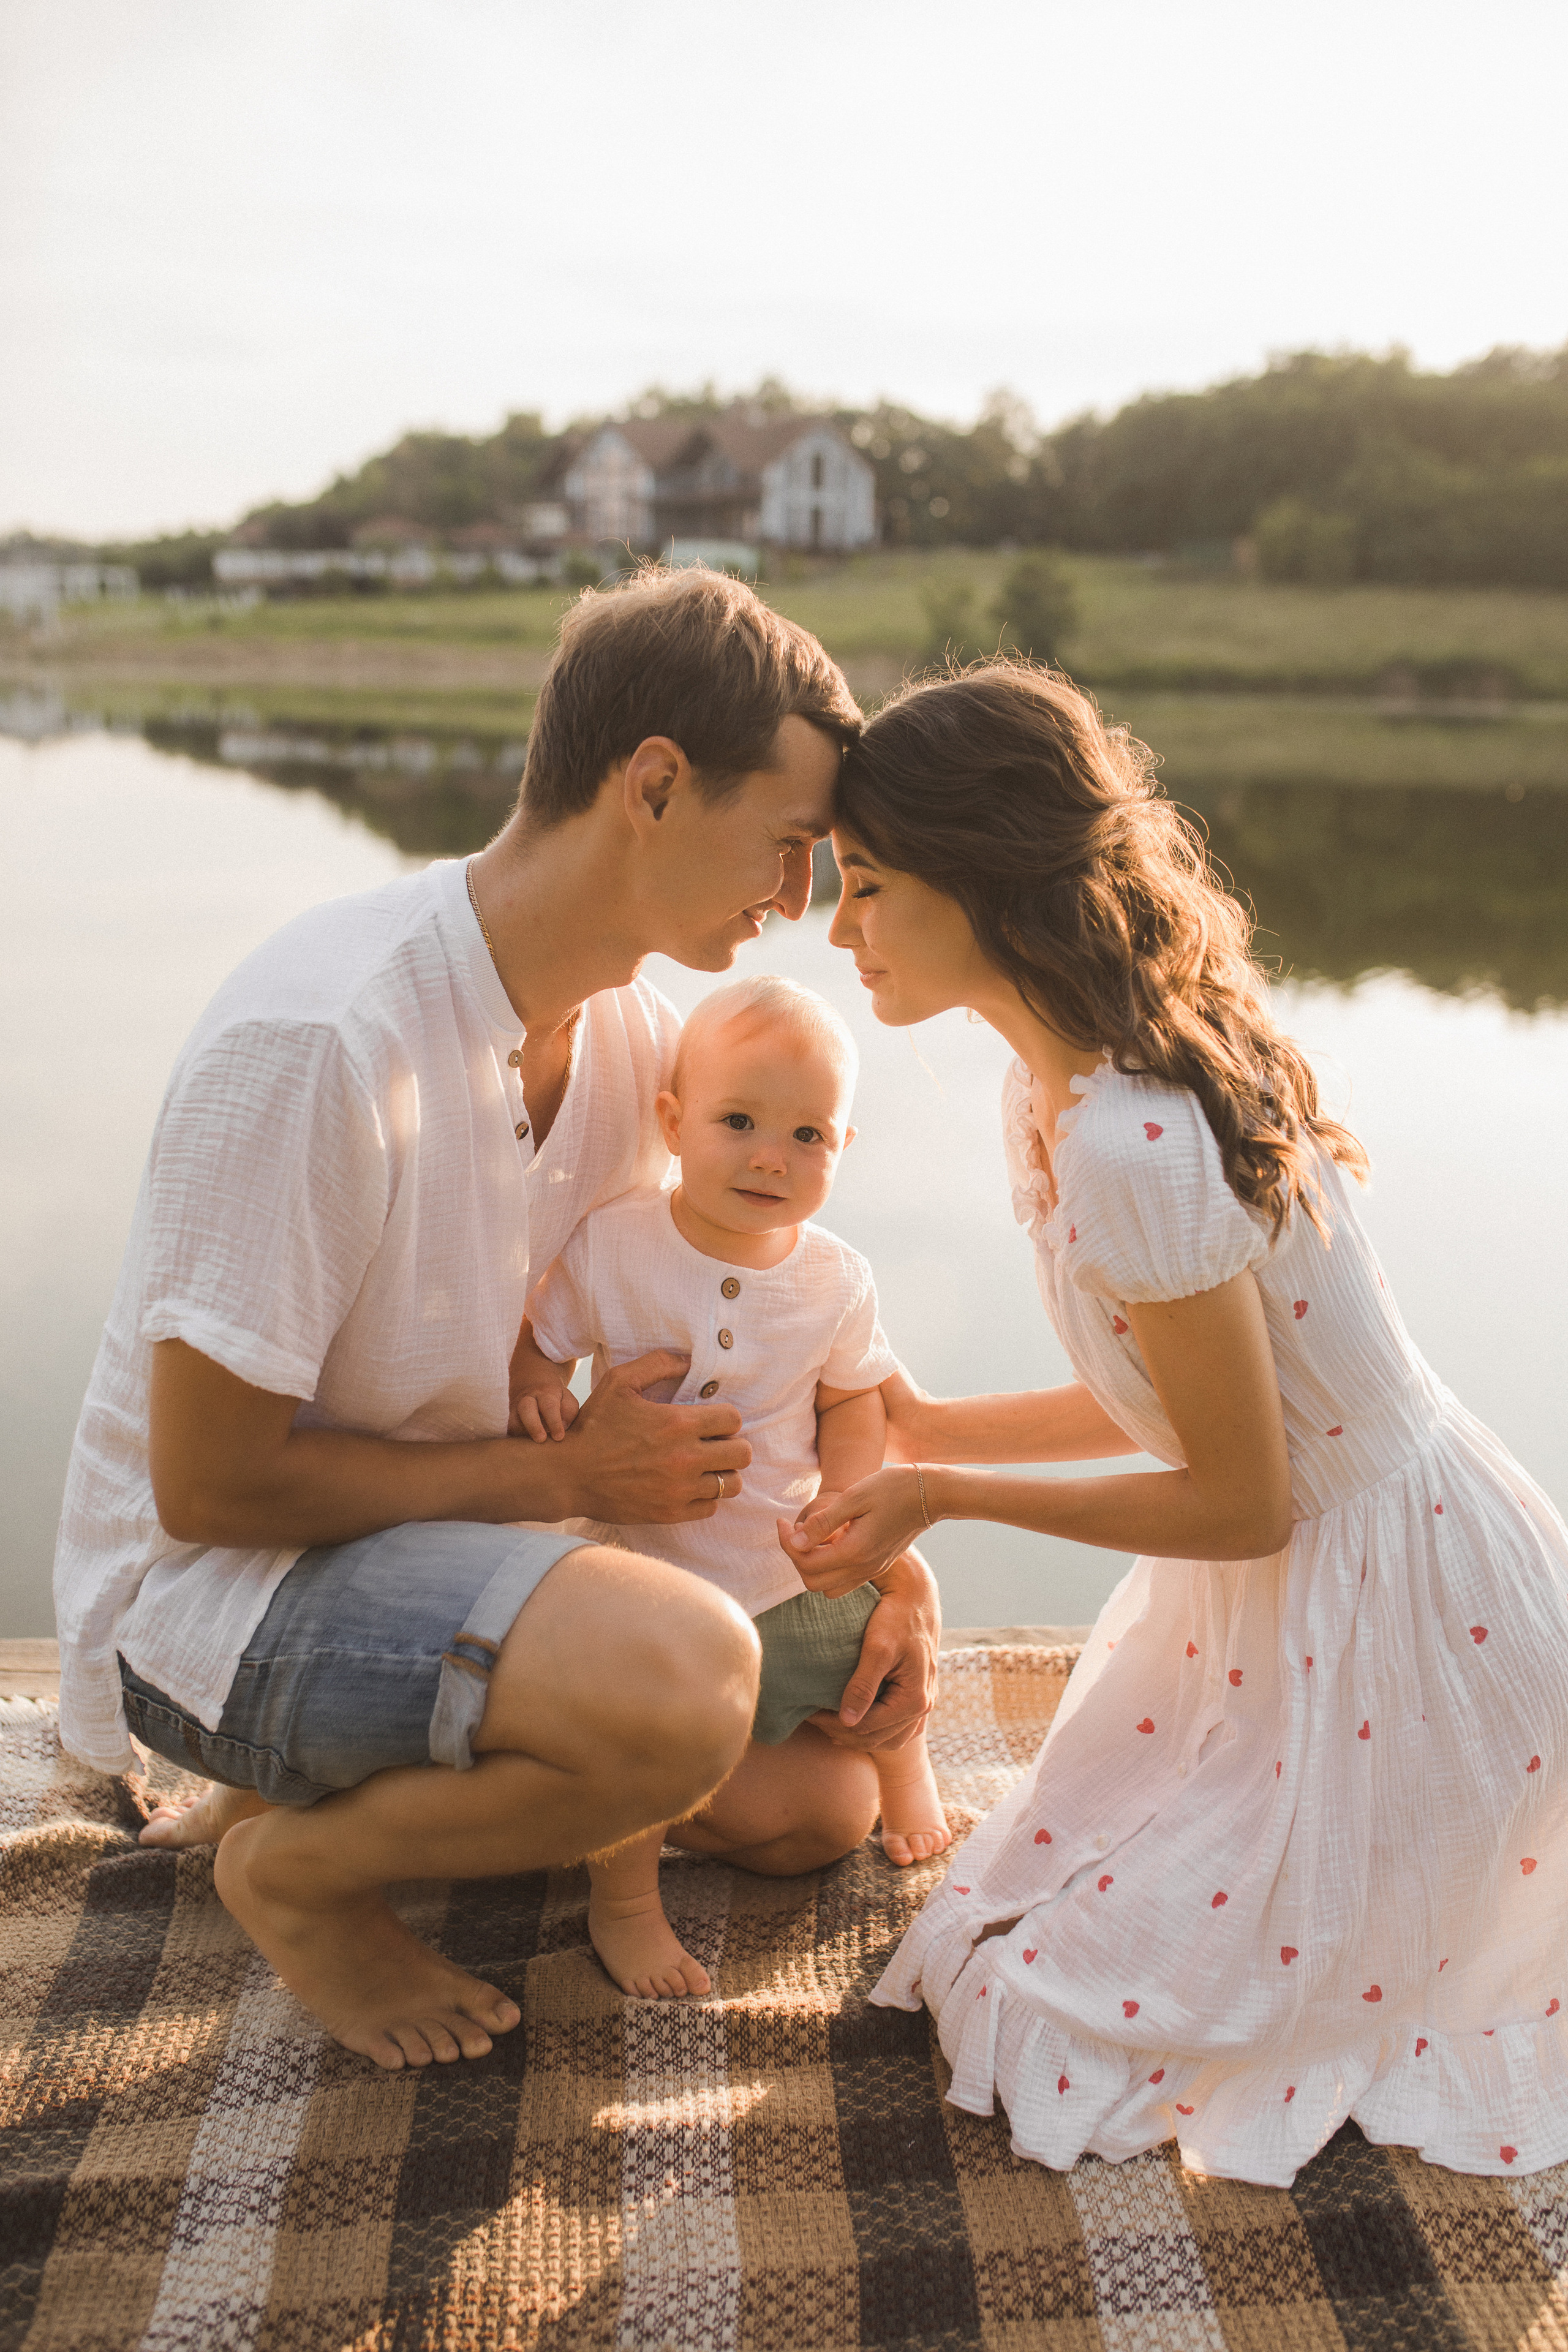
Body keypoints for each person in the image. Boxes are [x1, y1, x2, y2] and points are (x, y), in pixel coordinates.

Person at [51, 568, 941, 2072]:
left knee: (810, 1807)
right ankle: (295, 1870)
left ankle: (360, 1789)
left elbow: (795, 1321)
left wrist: (890, 1558)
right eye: (785, 848)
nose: (794, 903)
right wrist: (570, 1481)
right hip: (218, 1609)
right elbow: (208, 1491)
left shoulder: (637, 1043)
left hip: (439, 1562)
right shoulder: (324, 1041)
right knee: (688, 1686)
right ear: (652, 785)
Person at [783, 661, 1568, 2187]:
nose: (838, 928)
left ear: (983, 879)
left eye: (866, 885)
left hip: (1401, 1618)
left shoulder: (1135, 1143)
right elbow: (1180, 1398)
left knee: (1052, 2017)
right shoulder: (1060, 1086)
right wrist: (933, 1421)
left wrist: (941, 1489)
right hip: (1307, 1599)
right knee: (1013, 1914)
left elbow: (1238, 1497)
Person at [513, 973, 950, 1999]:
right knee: (640, 1720)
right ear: (673, 1122)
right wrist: (538, 1384)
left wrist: (848, 1501)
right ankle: (625, 1901)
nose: (771, 1156)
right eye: (740, 1121)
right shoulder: (616, 1241)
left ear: (843, 1150)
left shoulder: (836, 1278)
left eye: (809, 1137)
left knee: (874, 1634)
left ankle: (901, 1766)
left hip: (780, 1558)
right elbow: (546, 1333)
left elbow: (854, 1400)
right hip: (646, 1570)